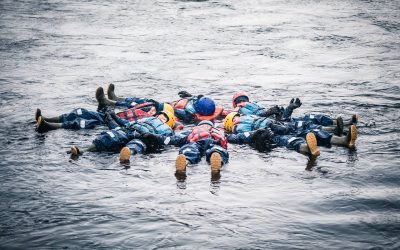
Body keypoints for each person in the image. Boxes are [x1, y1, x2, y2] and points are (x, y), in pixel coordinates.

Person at [121, 120, 229, 175]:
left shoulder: (190, 132)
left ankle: (186, 162)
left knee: (189, 150)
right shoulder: (218, 131)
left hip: (196, 142)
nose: (204, 127)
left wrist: (154, 136)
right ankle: (215, 161)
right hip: (213, 142)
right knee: (216, 150)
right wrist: (154, 136)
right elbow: (235, 138)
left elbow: (171, 140)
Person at [223, 112, 358, 151]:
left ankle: (344, 140)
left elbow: (267, 117)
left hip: (281, 126)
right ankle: (308, 148)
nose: (238, 118)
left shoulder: (249, 117)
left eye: (237, 116)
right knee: (291, 141)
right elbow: (252, 134)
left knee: (309, 129)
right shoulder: (239, 129)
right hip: (273, 133)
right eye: (235, 118)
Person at [68, 110, 175, 158]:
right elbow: (126, 124)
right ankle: (82, 151)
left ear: (169, 121)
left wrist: (152, 137)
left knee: (136, 145)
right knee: (110, 136)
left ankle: (126, 156)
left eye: (164, 117)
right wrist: (113, 117)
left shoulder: (168, 130)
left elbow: (165, 140)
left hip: (144, 138)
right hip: (129, 131)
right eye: (160, 115)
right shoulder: (147, 118)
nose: (161, 117)